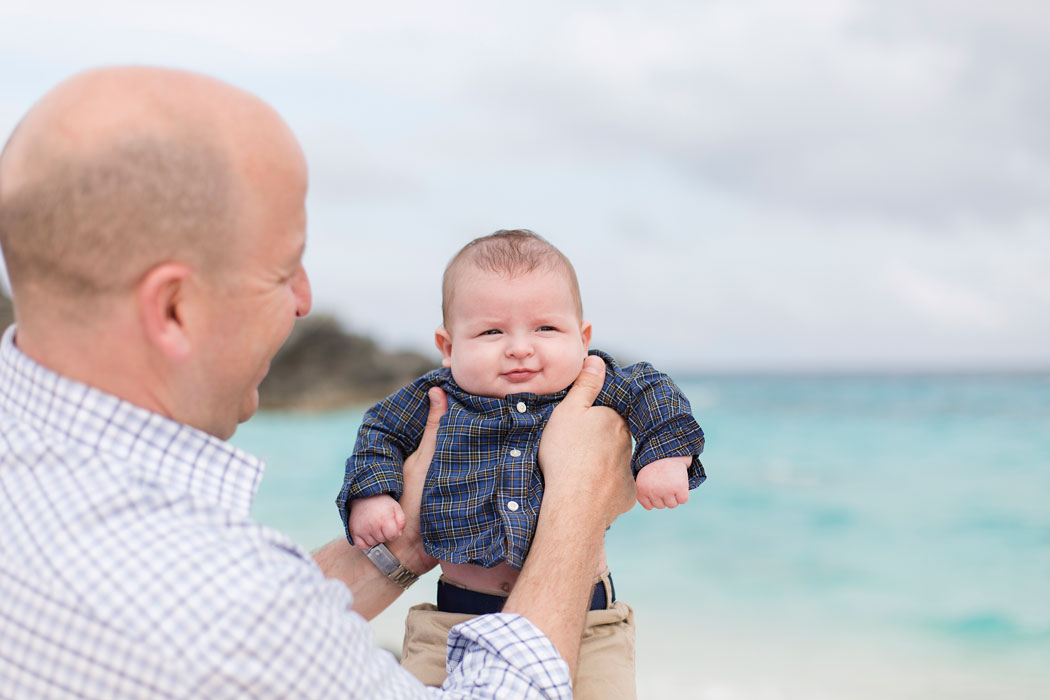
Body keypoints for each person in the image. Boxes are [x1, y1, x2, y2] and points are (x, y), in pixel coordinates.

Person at [0, 67, 636, 698]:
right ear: (173, 309)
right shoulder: (208, 614)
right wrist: (575, 503)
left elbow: (259, 634)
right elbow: (238, 635)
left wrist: (405, 540)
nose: (305, 301)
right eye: (283, 272)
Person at [337, 230, 706, 698]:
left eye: (545, 328)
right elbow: (379, 432)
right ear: (448, 347)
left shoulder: (589, 386)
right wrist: (373, 494)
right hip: (451, 622)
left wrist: (665, 456)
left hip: (588, 624)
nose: (519, 347)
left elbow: (654, 393)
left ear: (583, 336)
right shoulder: (438, 397)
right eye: (492, 331)